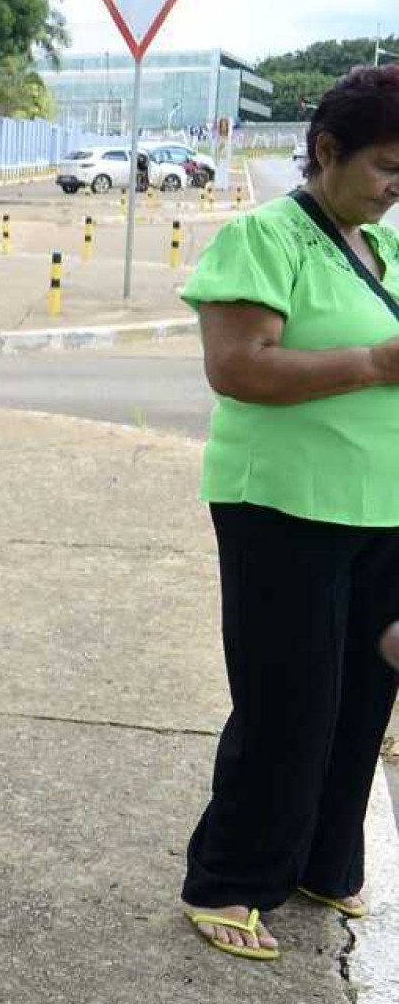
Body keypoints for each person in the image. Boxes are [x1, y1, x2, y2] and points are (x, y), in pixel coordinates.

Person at [177, 65, 399, 961]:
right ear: (326, 151)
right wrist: (376, 365)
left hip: (379, 505)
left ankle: (320, 858)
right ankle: (231, 877)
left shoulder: (385, 246)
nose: (396, 187)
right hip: (280, 506)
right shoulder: (262, 239)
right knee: (290, 699)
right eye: (386, 166)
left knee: (361, 694)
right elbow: (239, 367)